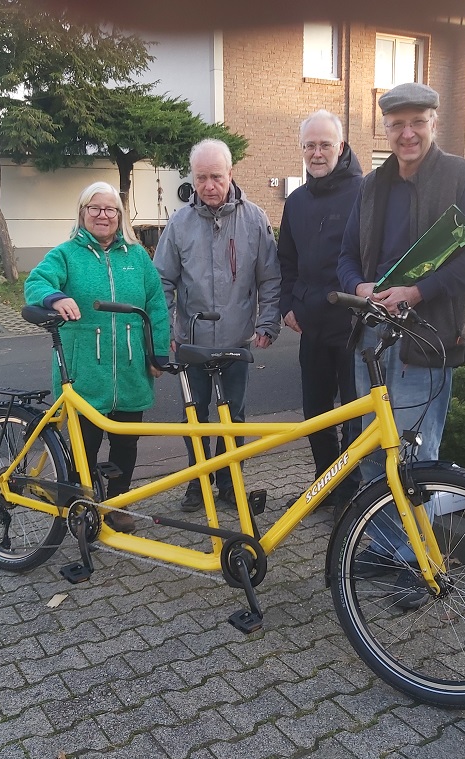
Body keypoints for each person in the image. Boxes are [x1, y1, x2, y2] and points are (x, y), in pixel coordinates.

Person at [337, 82, 465, 572]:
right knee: (374, 452)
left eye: (417, 123)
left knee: (415, 458)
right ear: (384, 128)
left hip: (425, 340)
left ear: (433, 123)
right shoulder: (371, 185)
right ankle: (388, 549)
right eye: (397, 124)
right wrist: (360, 287)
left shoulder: (460, 177)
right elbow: (345, 259)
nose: (407, 134)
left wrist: (418, 292)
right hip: (372, 337)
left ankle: (417, 562)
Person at [25, 181, 170, 534]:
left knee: (126, 443)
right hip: (85, 371)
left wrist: (158, 352)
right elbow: (36, 282)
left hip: (131, 369)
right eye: (95, 208)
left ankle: (117, 503)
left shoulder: (137, 257)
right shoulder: (66, 254)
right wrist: (55, 298)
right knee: (85, 446)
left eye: (110, 209)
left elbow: (156, 305)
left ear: (120, 216)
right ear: (82, 213)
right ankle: (84, 507)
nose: (103, 215)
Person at [155, 138, 281, 512]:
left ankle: (228, 481)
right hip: (190, 342)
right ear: (193, 178)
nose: (209, 186)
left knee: (233, 417)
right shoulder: (179, 223)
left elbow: (270, 278)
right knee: (194, 416)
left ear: (230, 174)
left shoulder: (255, 220)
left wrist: (268, 321)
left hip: (236, 339)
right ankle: (198, 481)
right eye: (201, 178)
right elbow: (162, 280)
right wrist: (166, 330)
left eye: (216, 177)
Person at [278, 110, 362, 508]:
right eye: (309, 145)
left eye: (324, 145)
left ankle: (349, 492)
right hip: (311, 325)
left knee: (353, 415)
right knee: (315, 412)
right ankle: (324, 484)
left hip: (354, 326)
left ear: (340, 147)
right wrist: (288, 305)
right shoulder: (296, 201)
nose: (316, 153)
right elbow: (286, 260)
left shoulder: (364, 193)